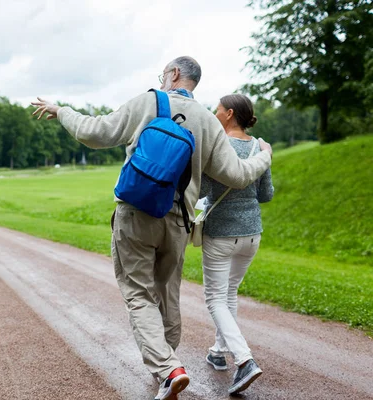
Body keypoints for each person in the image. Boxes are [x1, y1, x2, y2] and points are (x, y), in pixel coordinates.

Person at [31, 56, 273, 400]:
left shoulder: (149, 101)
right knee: (167, 294)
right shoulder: (208, 120)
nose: (161, 79)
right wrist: (265, 156)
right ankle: (167, 368)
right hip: (178, 221)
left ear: (173, 74)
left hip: (135, 213)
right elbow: (237, 175)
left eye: (163, 74)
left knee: (138, 294)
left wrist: (62, 111)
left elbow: (96, 133)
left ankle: (169, 369)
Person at [200, 94, 274, 394]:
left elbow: (204, 189)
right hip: (252, 234)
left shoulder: (217, 145)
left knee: (215, 298)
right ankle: (218, 351)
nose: (214, 113)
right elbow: (266, 194)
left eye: (217, 109)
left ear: (230, 114)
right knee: (229, 292)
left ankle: (244, 360)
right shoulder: (259, 147)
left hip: (220, 233)